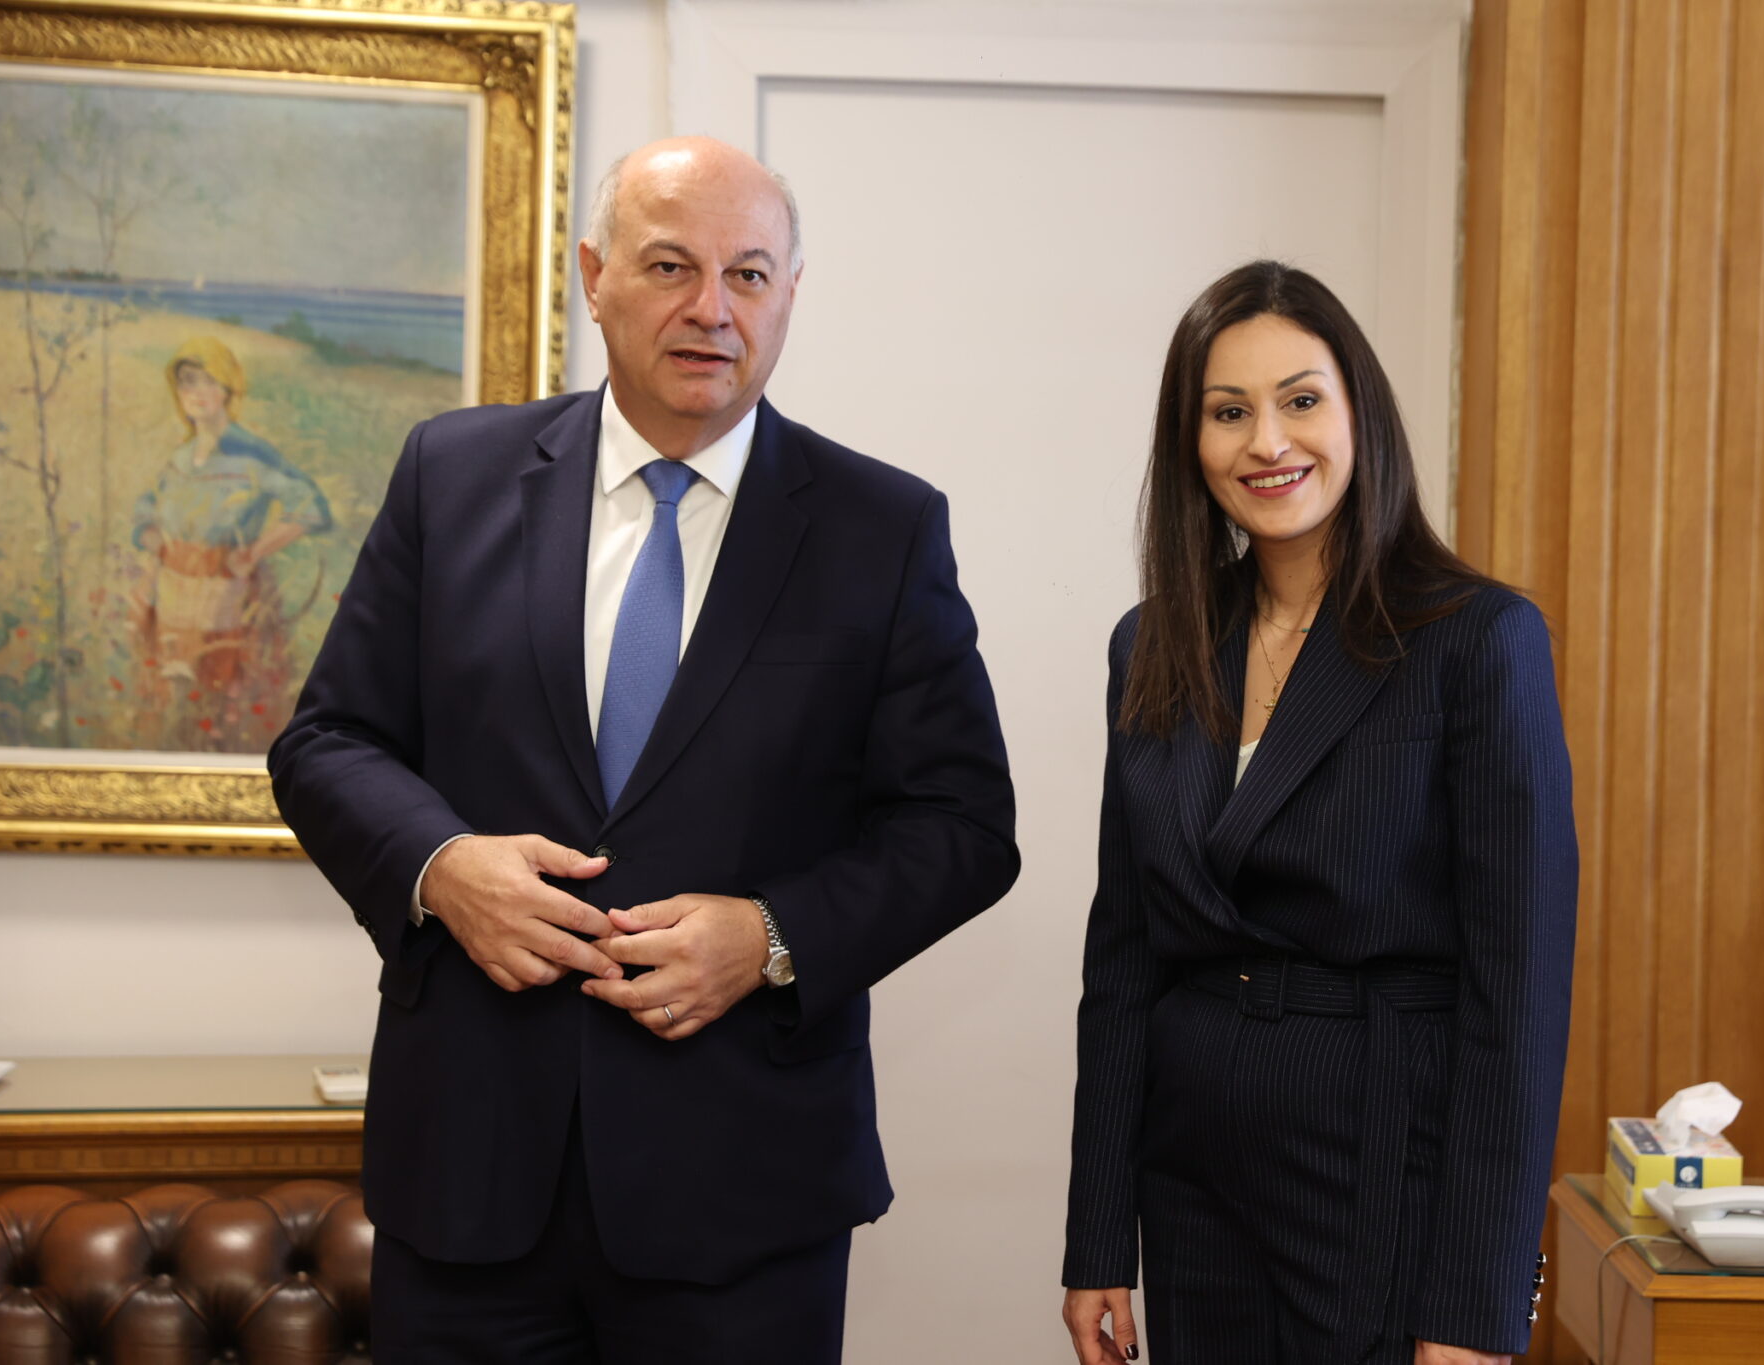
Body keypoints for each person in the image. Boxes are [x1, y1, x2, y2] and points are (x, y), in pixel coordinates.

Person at [269, 137, 1017, 1364]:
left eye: (748, 274)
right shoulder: (450, 475)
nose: (711, 308)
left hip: (744, 1195)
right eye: (670, 266)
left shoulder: (880, 529)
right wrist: (441, 866)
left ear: (787, 294)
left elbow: (963, 828)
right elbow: (326, 742)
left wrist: (770, 937)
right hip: (469, 1178)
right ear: (593, 276)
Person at [1060, 262, 1576, 1365]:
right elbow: (1124, 958)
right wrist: (1097, 1234)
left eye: (1300, 399)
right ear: (1190, 442)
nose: (1267, 442)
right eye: (1227, 411)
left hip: (1382, 1166)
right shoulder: (1150, 645)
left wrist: (1474, 1306)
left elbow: (1518, 997)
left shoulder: (1476, 639)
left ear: (1358, 414)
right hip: (1193, 1180)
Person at [133, 335, 331, 743]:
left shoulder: (251, 454)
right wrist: (156, 541)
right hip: (172, 597)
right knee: (172, 705)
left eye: (210, 381)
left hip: (226, 598)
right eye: (188, 381)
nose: (198, 392)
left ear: (228, 389)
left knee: (218, 704)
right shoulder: (181, 457)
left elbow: (312, 507)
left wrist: (254, 552)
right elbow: (145, 508)